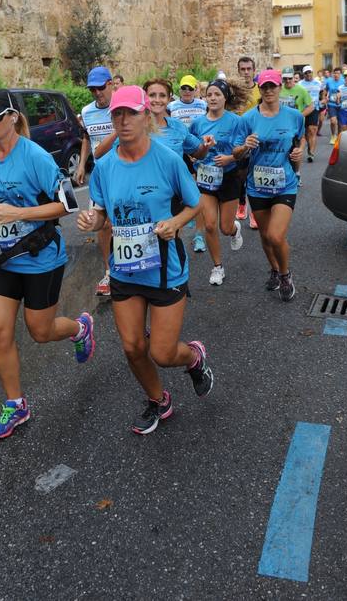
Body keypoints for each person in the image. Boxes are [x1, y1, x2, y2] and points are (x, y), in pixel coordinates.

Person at [77, 85, 213, 436]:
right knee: (133, 346)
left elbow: (194, 202)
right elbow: (101, 212)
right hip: (125, 269)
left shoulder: (166, 158)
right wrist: (93, 220)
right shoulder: (104, 167)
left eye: (130, 113)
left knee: (164, 352)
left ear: (145, 116)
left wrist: (176, 223)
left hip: (165, 269)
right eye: (116, 114)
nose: (122, 120)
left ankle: (194, 357)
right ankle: (158, 399)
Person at [0, 90, 95, 440]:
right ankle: (16, 404)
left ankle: (80, 329)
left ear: (12, 118)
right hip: (4, 258)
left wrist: (20, 213)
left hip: (40, 258)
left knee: (40, 331)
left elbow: (67, 205)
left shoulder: (35, 156)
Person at [232, 69, 304, 303]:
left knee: (275, 235)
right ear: (259, 89)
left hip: (285, 185)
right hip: (257, 186)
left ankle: (285, 275)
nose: (269, 90)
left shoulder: (294, 116)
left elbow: (297, 143)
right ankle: (274, 268)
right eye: (264, 87)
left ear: (280, 87)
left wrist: (298, 156)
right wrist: (244, 146)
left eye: (273, 86)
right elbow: (235, 152)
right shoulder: (248, 119)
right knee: (265, 235)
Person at [189, 79, 245, 286]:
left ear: (225, 98)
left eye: (217, 94)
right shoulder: (197, 123)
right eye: (209, 94)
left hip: (229, 177)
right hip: (205, 179)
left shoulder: (235, 121)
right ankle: (217, 267)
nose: (213, 98)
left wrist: (229, 159)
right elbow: (191, 147)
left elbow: (241, 149)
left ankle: (234, 229)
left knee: (224, 227)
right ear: (204, 98)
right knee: (210, 226)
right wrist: (194, 156)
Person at [76, 66, 116, 297]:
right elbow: (86, 137)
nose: (97, 93)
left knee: (120, 223)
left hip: (124, 173)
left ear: (110, 84)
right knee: (102, 225)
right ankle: (109, 271)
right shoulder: (87, 111)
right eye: (93, 89)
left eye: (101, 87)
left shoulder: (122, 108)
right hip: (100, 177)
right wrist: (82, 165)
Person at [167, 74, 208, 252]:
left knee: (197, 193)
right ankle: (177, 233)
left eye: (190, 88)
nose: (186, 91)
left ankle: (199, 235)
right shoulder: (171, 106)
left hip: (198, 149)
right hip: (180, 152)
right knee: (180, 193)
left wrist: (200, 148)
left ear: (196, 90)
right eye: (184, 88)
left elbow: (207, 125)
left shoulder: (203, 105)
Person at [143, 78, 210, 167]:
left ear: (169, 99)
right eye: (152, 95)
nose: (157, 100)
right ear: (144, 98)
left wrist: (206, 145)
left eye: (162, 95)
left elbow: (199, 154)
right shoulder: (135, 128)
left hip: (173, 180)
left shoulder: (178, 126)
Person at [236, 56, 261, 229]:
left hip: (258, 138)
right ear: (238, 71)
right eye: (242, 69)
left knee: (256, 175)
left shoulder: (261, 90)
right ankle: (242, 203)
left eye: (248, 69)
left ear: (254, 70)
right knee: (241, 176)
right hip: (239, 139)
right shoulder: (233, 91)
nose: (246, 72)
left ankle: (254, 212)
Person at [279, 68, 312, 184]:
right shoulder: (279, 89)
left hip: (296, 126)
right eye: (285, 78)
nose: (287, 81)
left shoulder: (301, 90)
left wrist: (298, 115)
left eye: (290, 78)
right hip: (280, 124)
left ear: (294, 78)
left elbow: (310, 106)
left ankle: (297, 173)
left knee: (296, 149)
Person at [300, 66, 322, 161]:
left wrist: (323, 100)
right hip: (303, 110)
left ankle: (311, 153)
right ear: (303, 74)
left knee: (312, 129)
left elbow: (322, 93)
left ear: (312, 73)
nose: (308, 74)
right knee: (305, 133)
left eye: (310, 72)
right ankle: (309, 147)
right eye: (306, 73)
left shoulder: (318, 83)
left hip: (314, 108)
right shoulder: (300, 84)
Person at [325, 66, 344, 145]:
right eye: (335, 73)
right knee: (333, 121)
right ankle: (333, 136)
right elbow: (325, 90)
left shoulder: (343, 81)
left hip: (341, 104)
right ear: (333, 74)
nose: (336, 75)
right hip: (331, 104)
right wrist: (325, 97)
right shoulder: (329, 81)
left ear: (340, 74)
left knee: (340, 123)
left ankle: (339, 136)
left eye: (338, 73)